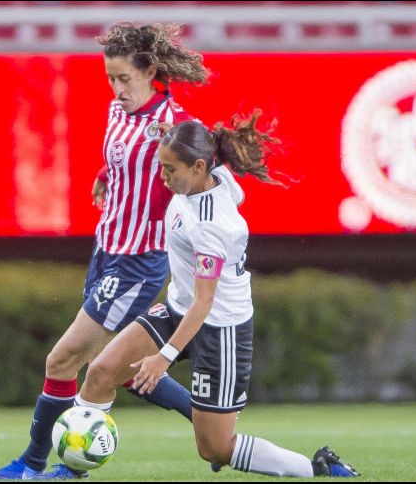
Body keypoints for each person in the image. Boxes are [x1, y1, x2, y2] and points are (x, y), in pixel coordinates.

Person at [0, 22, 245, 480]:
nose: (117, 88)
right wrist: (107, 174)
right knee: (119, 370)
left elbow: (202, 181)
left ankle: (33, 464)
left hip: (138, 264)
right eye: (110, 79)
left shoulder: (172, 127)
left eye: (125, 78)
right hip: (105, 250)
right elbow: (122, 156)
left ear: (150, 71)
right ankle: (215, 434)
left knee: (63, 360)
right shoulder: (116, 111)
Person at [73, 114, 360, 478]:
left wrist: (163, 357)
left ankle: (319, 470)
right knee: (102, 372)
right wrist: (170, 133)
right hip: (180, 307)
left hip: (218, 327)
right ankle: (72, 469)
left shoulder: (210, 226)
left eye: (169, 169)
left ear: (197, 167)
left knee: (215, 448)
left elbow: (204, 303)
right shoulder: (213, 174)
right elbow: (202, 139)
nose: (162, 177)